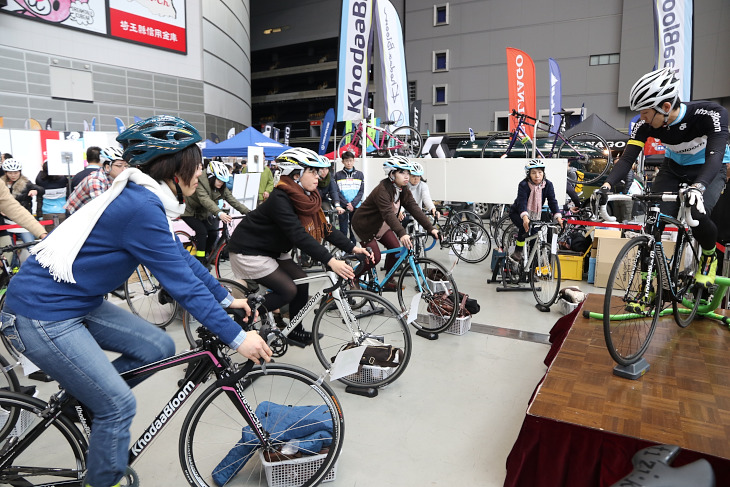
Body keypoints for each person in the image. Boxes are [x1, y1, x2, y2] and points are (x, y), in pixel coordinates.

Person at [0, 115, 271, 487]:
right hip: (41, 314)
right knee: (117, 405)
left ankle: (87, 391)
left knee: (159, 345)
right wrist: (238, 338)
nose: (200, 173)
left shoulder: (144, 198)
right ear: (174, 169)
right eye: (196, 165)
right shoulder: (140, 206)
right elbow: (182, 287)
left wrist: (226, 298)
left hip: (74, 302)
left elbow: (181, 260)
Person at [599, 67, 729, 287]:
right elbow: (627, 159)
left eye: (646, 113)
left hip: (708, 168)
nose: (641, 118)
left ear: (665, 107)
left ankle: (708, 257)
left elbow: (715, 156)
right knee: (653, 221)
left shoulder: (710, 114)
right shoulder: (645, 124)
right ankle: (648, 284)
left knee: (696, 213)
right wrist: (607, 185)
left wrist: (698, 187)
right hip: (673, 168)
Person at [227, 147, 370, 346]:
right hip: (249, 250)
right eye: (311, 171)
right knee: (288, 290)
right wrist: (330, 260)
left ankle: (294, 330)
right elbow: (298, 235)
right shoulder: (280, 198)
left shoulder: (307, 198)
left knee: (301, 281)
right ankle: (238, 314)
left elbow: (326, 229)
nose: (317, 176)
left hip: (273, 250)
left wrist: (353, 248)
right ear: (296, 175)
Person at [351, 156, 440, 289]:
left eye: (407, 173)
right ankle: (353, 277)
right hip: (365, 226)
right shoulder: (382, 190)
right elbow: (387, 213)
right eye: (402, 172)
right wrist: (402, 233)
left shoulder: (402, 189)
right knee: (375, 257)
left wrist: (430, 228)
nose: (406, 176)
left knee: (395, 250)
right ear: (392, 174)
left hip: (382, 226)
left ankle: (388, 279)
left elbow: (414, 208)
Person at [181, 159, 250, 265]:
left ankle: (206, 255)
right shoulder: (200, 182)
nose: (221, 183)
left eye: (223, 182)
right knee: (202, 232)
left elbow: (231, 199)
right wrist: (219, 212)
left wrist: (248, 212)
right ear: (211, 177)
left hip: (203, 211)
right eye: (219, 180)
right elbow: (205, 199)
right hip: (188, 211)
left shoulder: (221, 185)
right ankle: (200, 260)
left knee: (213, 233)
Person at [508, 160, 563, 263]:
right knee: (525, 228)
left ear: (543, 173)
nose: (537, 175)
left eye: (540, 172)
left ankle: (531, 266)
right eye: (533, 173)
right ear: (529, 174)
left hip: (535, 215)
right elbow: (522, 202)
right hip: (517, 212)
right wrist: (525, 217)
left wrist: (558, 216)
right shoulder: (523, 185)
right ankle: (518, 251)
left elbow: (552, 201)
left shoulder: (548, 185)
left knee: (534, 237)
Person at [0, 158, 46, 267]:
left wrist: (42, 233)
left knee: (13, 252)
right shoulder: (4, 183)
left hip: (18, 223)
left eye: (15, 172)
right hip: (6, 224)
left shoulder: (25, 183)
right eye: (10, 172)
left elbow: (13, 207)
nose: (13, 175)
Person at [65, 146, 129, 214]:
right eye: (119, 166)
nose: (124, 169)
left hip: (89, 213)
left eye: (126, 166)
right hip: (75, 216)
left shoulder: (113, 177)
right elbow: (100, 206)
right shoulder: (95, 179)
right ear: (107, 167)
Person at [333, 151, 365, 243]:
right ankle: (343, 250)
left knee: (354, 229)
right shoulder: (338, 175)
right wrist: (346, 204)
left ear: (354, 161)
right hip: (343, 206)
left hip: (356, 206)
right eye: (346, 161)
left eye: (351, 160)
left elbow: (361, 191)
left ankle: (354, 250)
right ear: (342, 161)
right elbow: (337, 191)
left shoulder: (360, 174)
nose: (349, 163)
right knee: (343, 229)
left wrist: (353, 204)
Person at [35, 159, 69, 230]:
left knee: (50, 236)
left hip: (47, 213)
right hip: (62, 211)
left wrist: (39, 215)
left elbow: (39, 199)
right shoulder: (63, 180)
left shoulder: (40, 180)